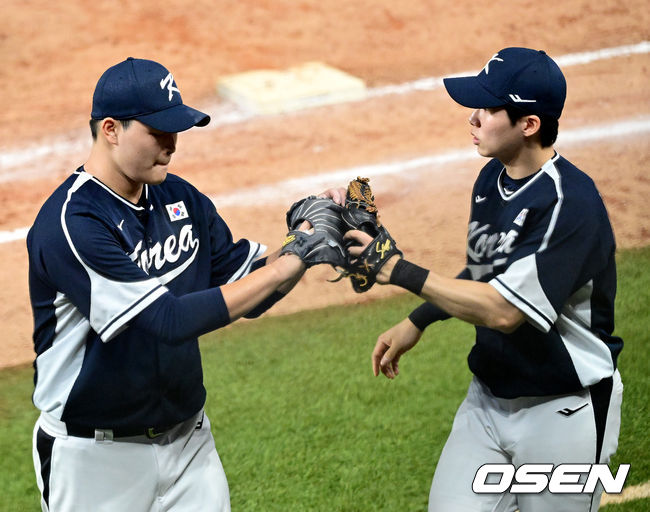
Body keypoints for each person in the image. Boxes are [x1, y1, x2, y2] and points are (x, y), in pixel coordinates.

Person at [27, 57, 343, 512]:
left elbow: (247, 287)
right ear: (111, 129)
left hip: (190, 445)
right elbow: (165, 320)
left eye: (176, 130)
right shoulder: (73, 223)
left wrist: (304, 246)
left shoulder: (181, 197)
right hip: (93, 460)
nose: (171, 146)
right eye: (157, 132)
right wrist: (287, 263)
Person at [345, 47, 623, 511]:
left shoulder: (570, 203)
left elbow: (505, 310)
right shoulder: (491, 179)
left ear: (528, 124)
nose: (473, 118)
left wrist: (398, 270)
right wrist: (419, 319)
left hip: (564, 409)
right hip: (488, 402)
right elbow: (483, 270)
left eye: (488, 109)